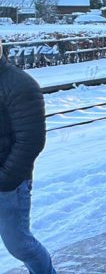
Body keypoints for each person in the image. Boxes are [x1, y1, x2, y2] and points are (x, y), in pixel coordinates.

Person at [0, 41, 55, 274]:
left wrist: (4, 179)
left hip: (9, 183)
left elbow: (31, 141)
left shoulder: (20, 84)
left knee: (19, 245)